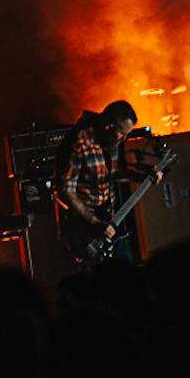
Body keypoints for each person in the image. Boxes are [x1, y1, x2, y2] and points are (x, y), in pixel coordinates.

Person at [55, 99, 153, 263]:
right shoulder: (79, 142)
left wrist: (142, 177)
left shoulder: (110, 140)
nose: (123, 139)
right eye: (122, 133)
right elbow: (66, 190)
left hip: (108, 221)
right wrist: (94, 222)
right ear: (109, 126)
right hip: (84, 226)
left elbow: (112, 174)